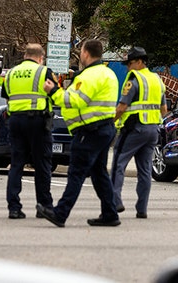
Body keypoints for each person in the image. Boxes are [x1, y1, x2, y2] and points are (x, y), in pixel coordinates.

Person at [37, 39, 121, 228]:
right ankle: (110, 213)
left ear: (86, 53)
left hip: (89, 131)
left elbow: (74, 100)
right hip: (105, 128)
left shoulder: (89, 76)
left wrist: (53, 91)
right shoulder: (109, 73)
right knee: (99, 173)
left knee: (76, 172)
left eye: (81, 51)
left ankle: (60, 213)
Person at [110, 47, 167, 219]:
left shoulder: (134, 79)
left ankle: (115, 201)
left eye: (130, 63)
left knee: (118, 164)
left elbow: (122, 107)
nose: (128, 67)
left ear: (140, 62)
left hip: (134, 128)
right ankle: (142, 209)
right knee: (145, 170)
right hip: (152, 130)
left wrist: (109, 122)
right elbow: (164, 110)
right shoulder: (157, 80)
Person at [1, 44, 56, 219]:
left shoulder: (11, 73)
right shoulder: (44, 72)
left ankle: (14, 208)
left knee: (17, 164)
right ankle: (44, 206)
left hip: (15, 120)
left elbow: (7, 97)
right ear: (41, 57)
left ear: (25, 55)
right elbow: (54, 94)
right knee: (42, 164)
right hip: (37, 121)